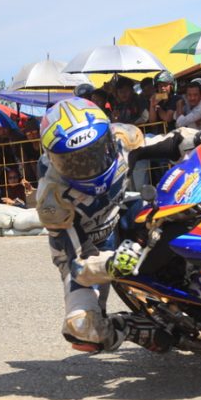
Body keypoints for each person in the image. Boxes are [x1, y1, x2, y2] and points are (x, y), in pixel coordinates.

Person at [36, 97, 179, 354]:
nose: (87, 166)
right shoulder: (52, 197)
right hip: (88, 251)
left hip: (123, 212)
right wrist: (110, 264)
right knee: (81, 328)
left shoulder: (123, 137)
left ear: (109, 139)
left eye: (93, 153)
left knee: (175, 209)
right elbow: (78, 263)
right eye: (73, 162)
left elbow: (166, 142)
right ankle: (129, 327)